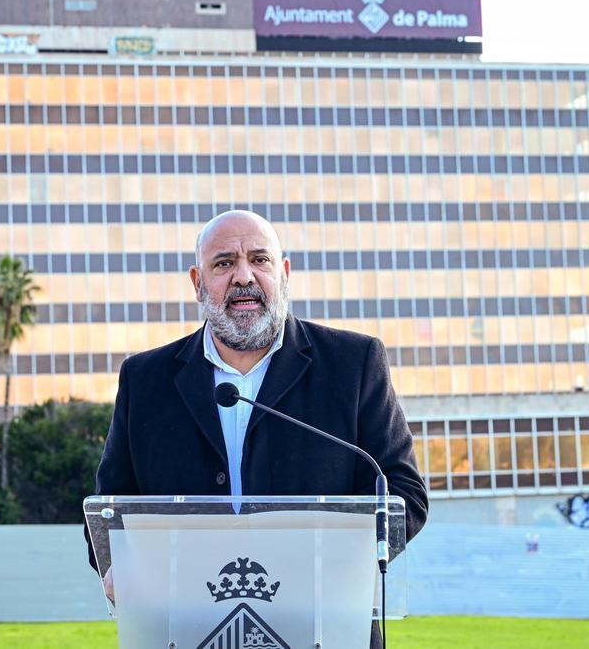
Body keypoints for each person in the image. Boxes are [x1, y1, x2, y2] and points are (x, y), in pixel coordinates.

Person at [90, 210, 428, 647]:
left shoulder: (353, 363)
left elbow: (402, 494)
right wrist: (120, 565)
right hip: (186, 628)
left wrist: (332, 562)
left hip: (325, 627)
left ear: (283, 273)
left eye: (260, 260)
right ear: (198, 281)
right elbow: (107, 510)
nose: (243, 276)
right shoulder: (144, 379)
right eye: (224, 263)